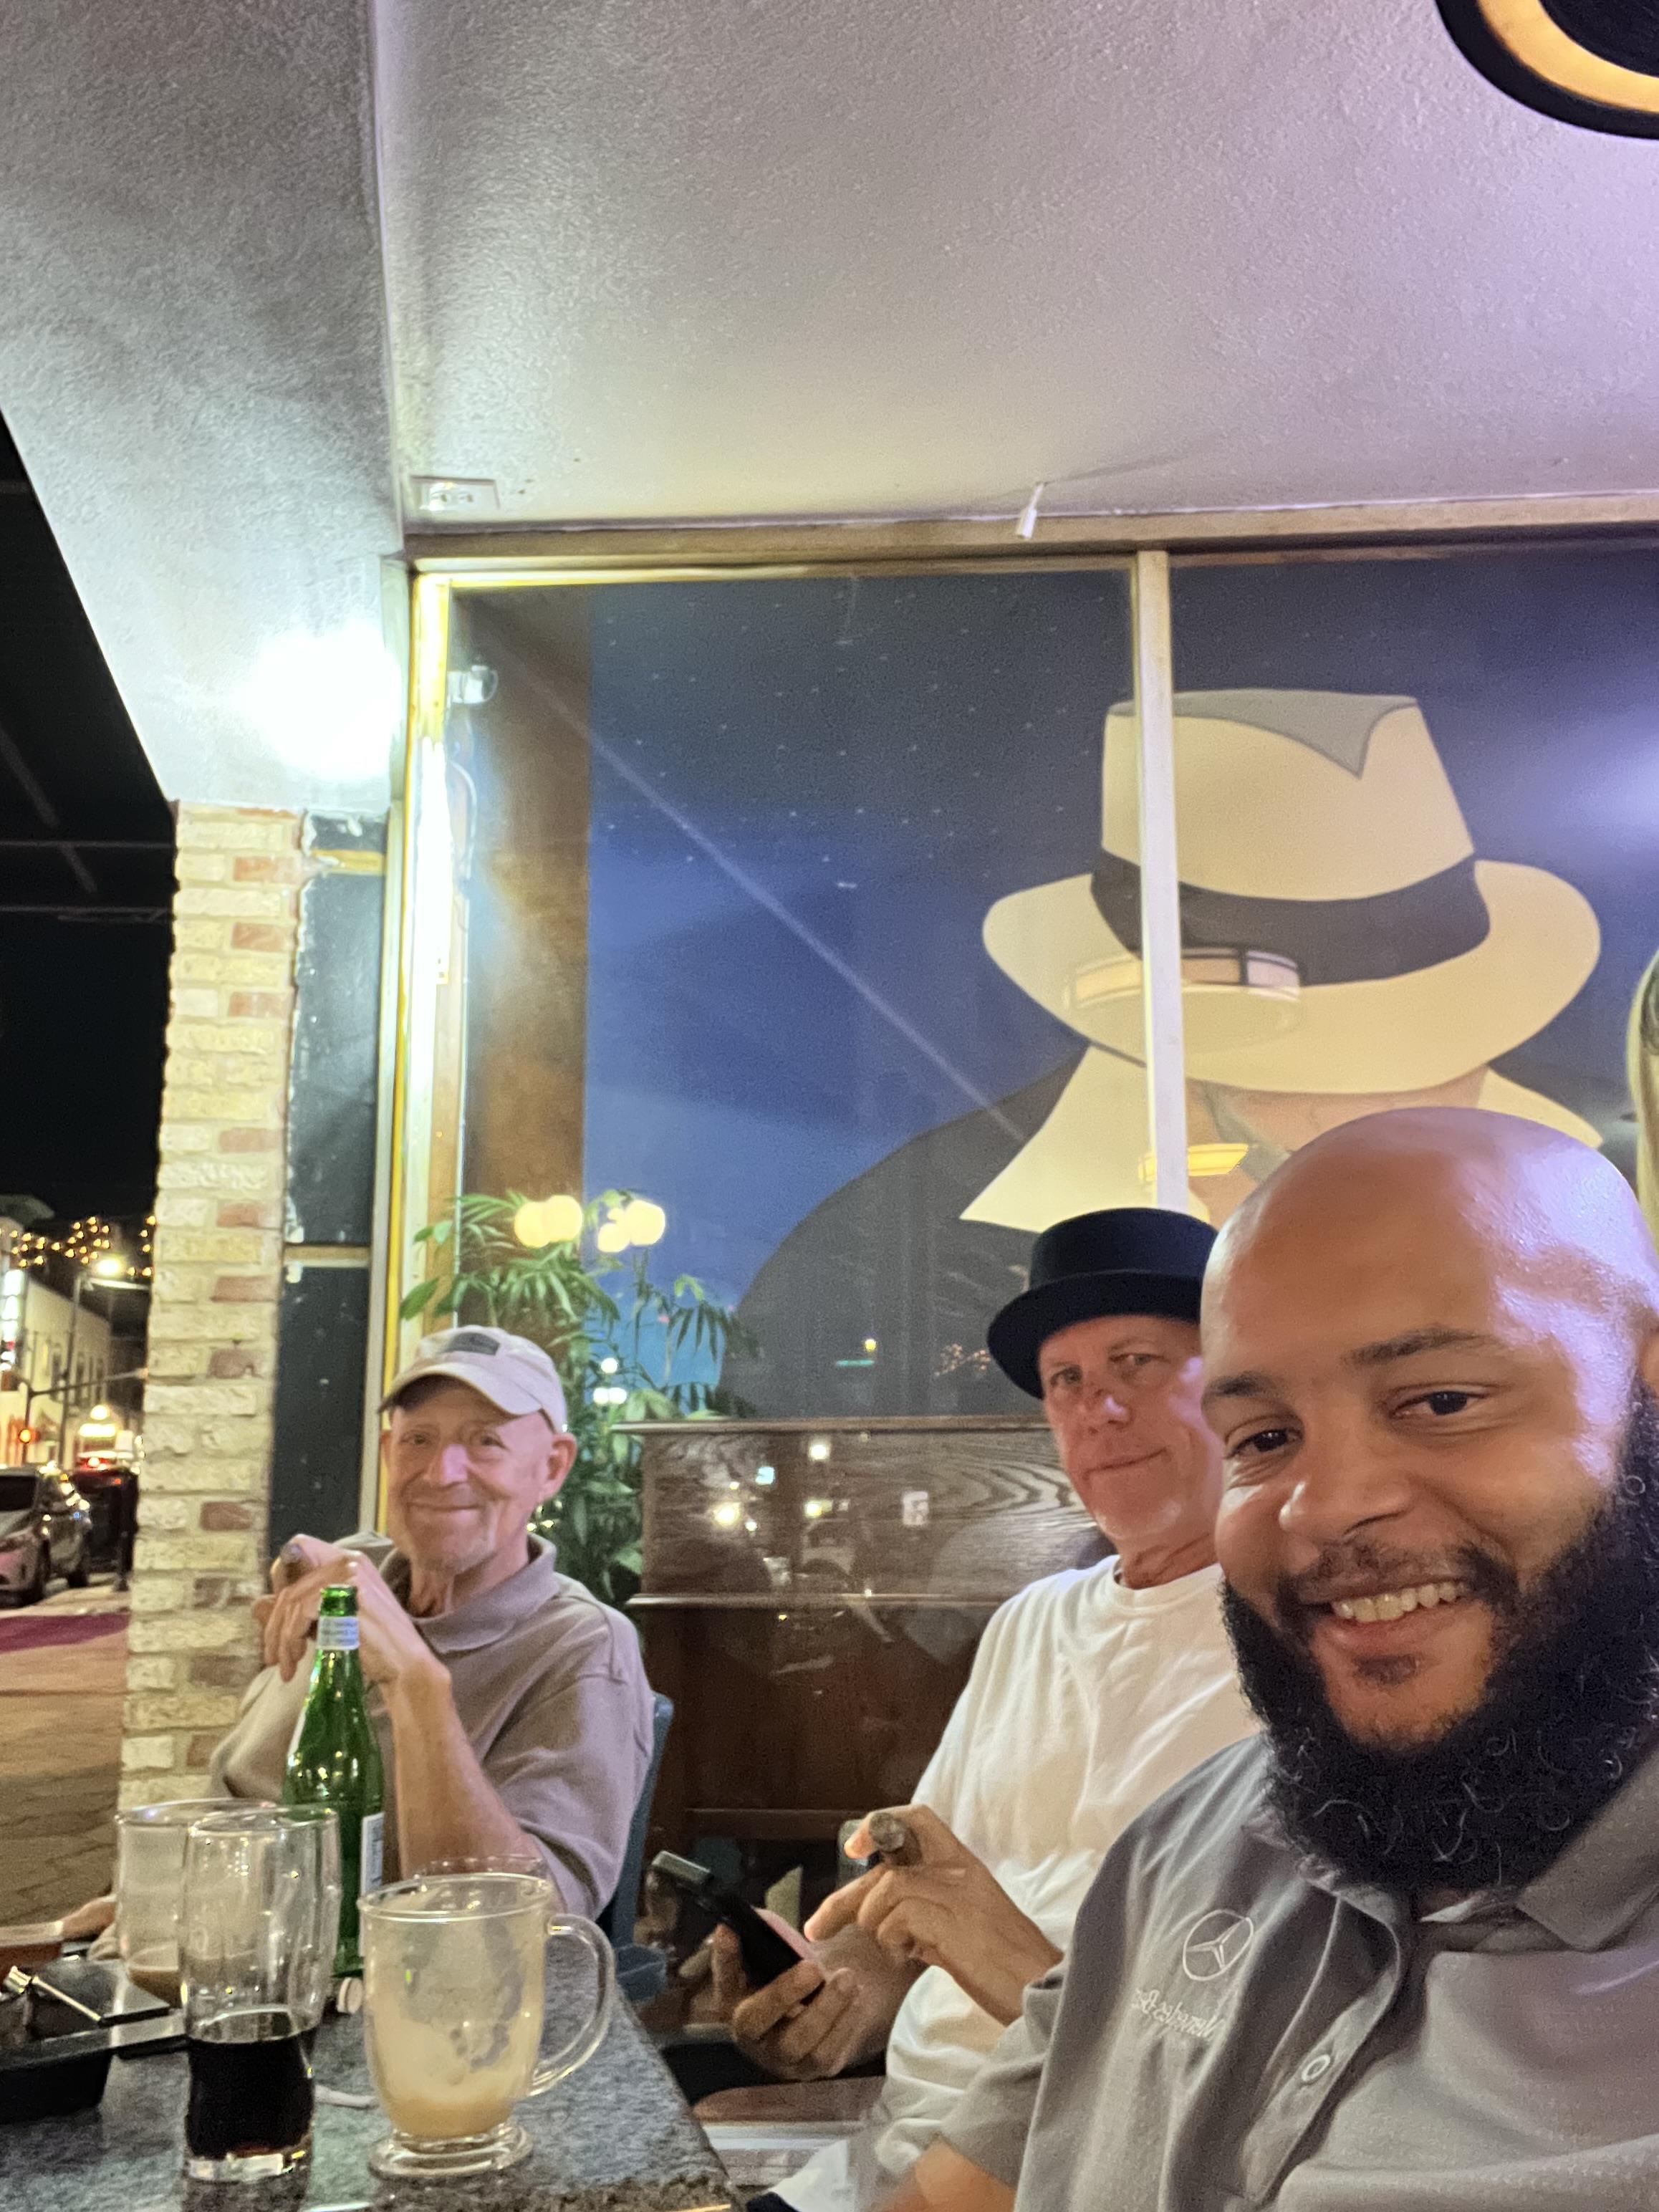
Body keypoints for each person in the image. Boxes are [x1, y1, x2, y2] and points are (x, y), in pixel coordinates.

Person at [903, 1107, 1659, 2211]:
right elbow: (951, 2190)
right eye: (1265, 1438)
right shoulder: (1193, 1844)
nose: (1326, 1508)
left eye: (1443, 1401)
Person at [727, 691, 1607, 1416]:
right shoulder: (883, 1247)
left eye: (1426, 1046)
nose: (1369, 1108)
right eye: (1314, 1074)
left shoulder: (1607, 1186)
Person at [711, 1208, 1256, 2212]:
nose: (1098, 1408)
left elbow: (1247, 2075)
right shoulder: (1030, 1623)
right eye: (1066, 1381)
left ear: (1235, 1383)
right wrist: (832, 1999)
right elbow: (913, 1920)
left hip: (1090, 2175)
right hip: (885, 2155)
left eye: (1136, 1363)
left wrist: (1019, 1968)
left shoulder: (1306, 1646)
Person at [206, 1324, 653, 1915]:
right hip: (217, 1934)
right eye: (419, 1440)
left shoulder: (580, 1645)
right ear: (389, 1453)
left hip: (368, 1967)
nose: (442, 1473)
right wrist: (147, 1900)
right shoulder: (346, 1581)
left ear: (552, 1467)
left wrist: (415, 1681)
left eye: (485, 1441)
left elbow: (525, 1923)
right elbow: (237, 1791)